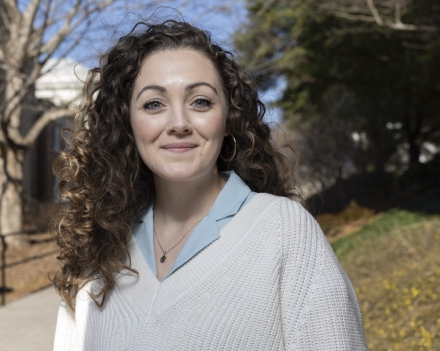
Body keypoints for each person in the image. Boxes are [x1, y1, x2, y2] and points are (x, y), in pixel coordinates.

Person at [52, 20, 367, 350]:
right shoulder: (100, 251)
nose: (179, 124)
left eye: (200, 101)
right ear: (127, 125)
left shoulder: (284, 231)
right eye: (153, 104)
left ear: (229, 118)